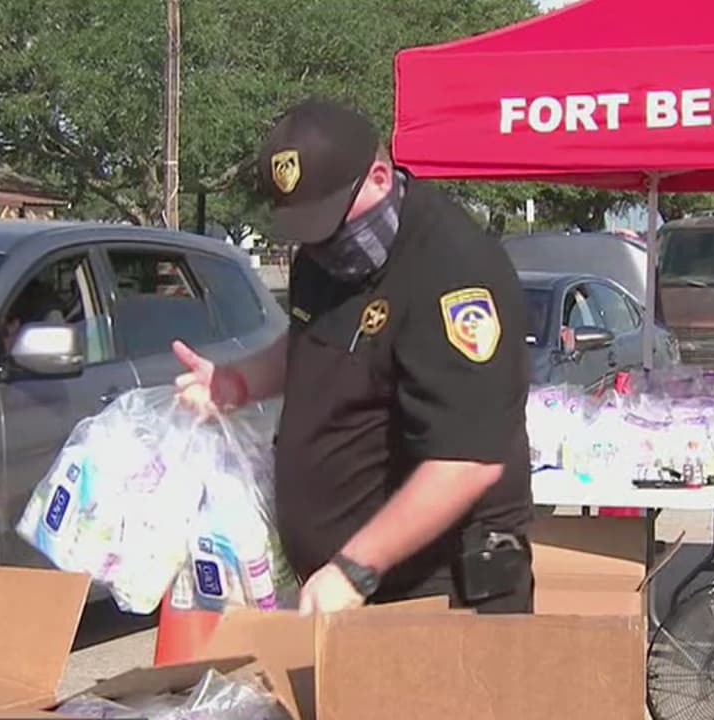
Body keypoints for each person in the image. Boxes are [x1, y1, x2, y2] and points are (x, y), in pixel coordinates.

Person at [172, 99, 535, 615]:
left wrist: (355, 567)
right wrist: (238, 382)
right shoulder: (328, 257)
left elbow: (466, 462)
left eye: (330, 221)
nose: (321, 244)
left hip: (438, 590)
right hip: (352, 589)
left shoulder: (455, 270)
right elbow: (314, 342)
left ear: (380, 179)